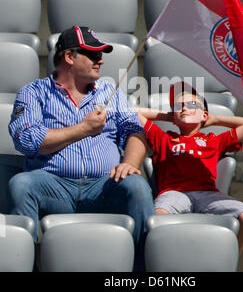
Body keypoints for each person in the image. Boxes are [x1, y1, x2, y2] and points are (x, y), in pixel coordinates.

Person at [8, 25, 155, 271]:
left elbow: (135, 132)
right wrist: (83, 128)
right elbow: (26, 139)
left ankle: (142, 272)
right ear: (69, 57)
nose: (101, 61)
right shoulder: (33, 93)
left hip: (104, 185)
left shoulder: (111, 92)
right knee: (21, 184)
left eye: (101, 55)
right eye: (94, 55)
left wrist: (130, 163)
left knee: (138, 185)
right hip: (53, 185)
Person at [135, 82, 243, 255]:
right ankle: (168, 259)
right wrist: (169, 116)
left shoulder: (213, 140)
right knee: (158, 216)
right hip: (174, 193)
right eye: (178, 106)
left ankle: (230, 259)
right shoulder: (164, 139)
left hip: (208, 195)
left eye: (192, 105)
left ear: (204, 115)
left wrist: (215, 119)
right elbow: (134, 112)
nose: (184, 108)